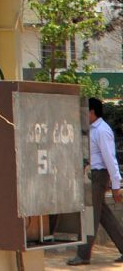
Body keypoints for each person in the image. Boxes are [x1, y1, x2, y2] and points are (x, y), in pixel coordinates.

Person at [77, 96, 123, 266]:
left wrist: (116, 184)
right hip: (93, 175)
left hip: (98, 176)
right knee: (103, 214)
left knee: (90, 216)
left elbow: (110, 158)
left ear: (92, 112)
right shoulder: (92, 130)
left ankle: (83, 255)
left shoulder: (102, 131)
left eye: (85, 112)